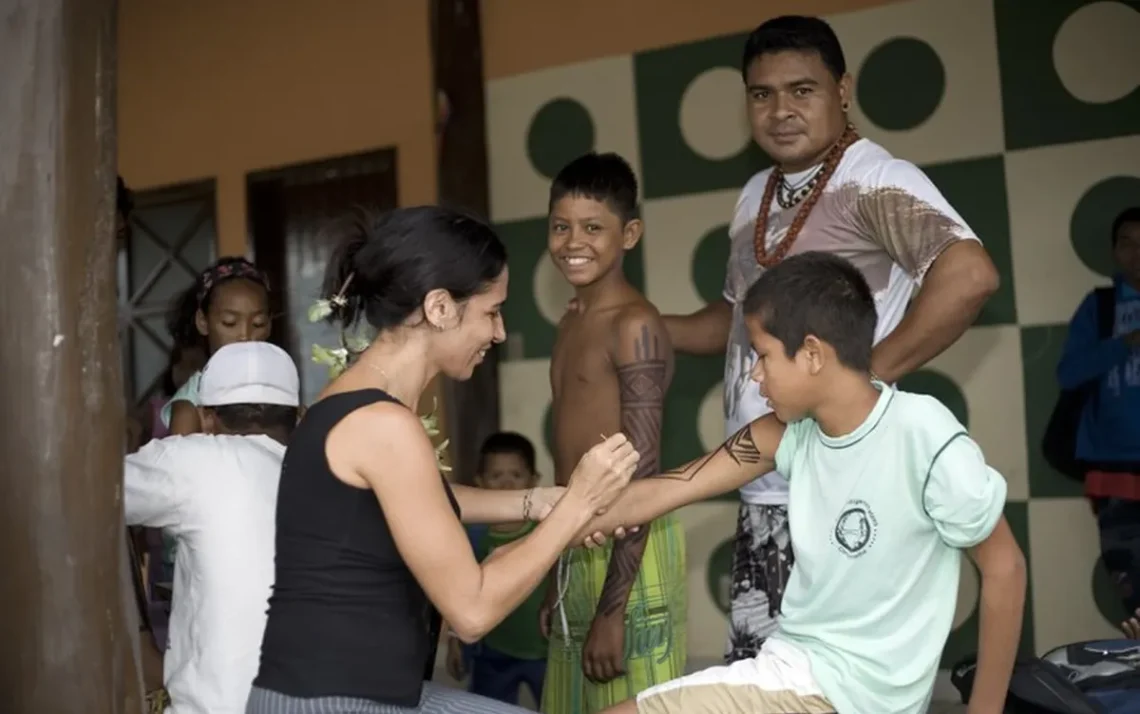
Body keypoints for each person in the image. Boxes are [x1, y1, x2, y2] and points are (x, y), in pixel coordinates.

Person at [657, 15, 1000, 662]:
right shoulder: (758, 192)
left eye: (802, 90)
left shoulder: (874, 179)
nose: (780, 110)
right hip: (766, 488)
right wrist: (639, 324)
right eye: (762, 94)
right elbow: (730, 326)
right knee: (761, 684)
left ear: (843, 89)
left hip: (838, 490)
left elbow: (971, 275)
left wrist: (864, 379)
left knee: (831, 690)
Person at [582, 251, 1025, 714]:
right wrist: (551, 511)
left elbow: (1005, 568)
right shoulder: (790, 434)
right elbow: (666, 490)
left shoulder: (923, 433)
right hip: (796, 674)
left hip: (830, 695)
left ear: (812, 353)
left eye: (763, 355)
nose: (754, 374)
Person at [245, 205, 640, 714]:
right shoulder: (384, 426)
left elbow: (418, 499)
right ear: (439, 308)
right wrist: (576, 505)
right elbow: (472, 610)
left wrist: (539, 502)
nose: (498, 333)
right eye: (491, 312)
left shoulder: (348, 405)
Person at [542, 152, 686, 714]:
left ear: (629, 234)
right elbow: (565, 460)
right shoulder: (572, 318)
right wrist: (557, 569)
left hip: (633, 543)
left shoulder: (636, 325)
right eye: (560, 226)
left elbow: (641, 471)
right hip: (576, 537)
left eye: (593, 228)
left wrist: (611, 611)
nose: (572, 241)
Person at [124, 341, 302, 714]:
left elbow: (95, 499)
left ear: (206, 418)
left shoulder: (194, 459)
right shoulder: (328, 475)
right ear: (298, 416)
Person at [1057, 207, 1140, 630]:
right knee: (1135, 600)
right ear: (1114, 252)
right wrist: (1125, 343)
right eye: (1127, 242)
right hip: (1116, 477)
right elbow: (1068, 374)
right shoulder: (1101, 307)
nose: (1137, 252)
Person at [447, 432, 550, 705]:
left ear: (534, 481)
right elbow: (457, 588)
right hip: (492, 652)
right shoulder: (473, 535)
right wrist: (455, 640)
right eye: (496, 476)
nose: (506, 483)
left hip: (544, 651)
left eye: (516, 475)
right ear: (479, 482)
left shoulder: (547, 531)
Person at [163, 256, 273, 435]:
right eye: (229, 323)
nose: (245, 336)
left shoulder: (281, 385)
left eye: (258, 323)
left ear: (269, 326)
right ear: (203, 322)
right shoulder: (189, 407)